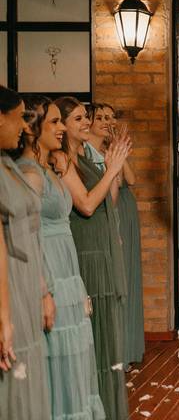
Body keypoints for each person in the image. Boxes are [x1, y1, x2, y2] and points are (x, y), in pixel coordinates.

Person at [15, 95, 105, 420]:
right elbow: (25, 237)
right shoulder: (29, 174)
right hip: (50, 270)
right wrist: (44, 290)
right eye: (54, 122)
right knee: (56, 354)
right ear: (32, 128)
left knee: (74, 353)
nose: (61, 129)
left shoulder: (49, 167)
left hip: (68, 270)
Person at [53, 96, 130, 420]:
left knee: (107, 334)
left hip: (103, 246)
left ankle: (108, 410)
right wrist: (110, 170)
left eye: (87, 117)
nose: (87, 122)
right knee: (94, 334)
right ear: (63, 126)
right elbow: (85, 205)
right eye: (79, 118)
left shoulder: (86, 154)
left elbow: (107, 201)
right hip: (85, 251)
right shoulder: (61, 159)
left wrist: (112, 170)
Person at [0, 86, 52, 420]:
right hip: (8, 286)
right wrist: (4, 315)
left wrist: (43, 290)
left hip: (26, 283)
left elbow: (32, 233)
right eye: (19, 117)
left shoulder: (8, 164)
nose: (24, 126)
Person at [87, 103, 145, 366]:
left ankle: (127, 346)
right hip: (110, 207)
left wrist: (119, 151)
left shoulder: (111, 150)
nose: (107, 121)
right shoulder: (89, 153)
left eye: (110, 117)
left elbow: (130, 180)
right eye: (100, 117)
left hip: (125, 208)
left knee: (127, 275)